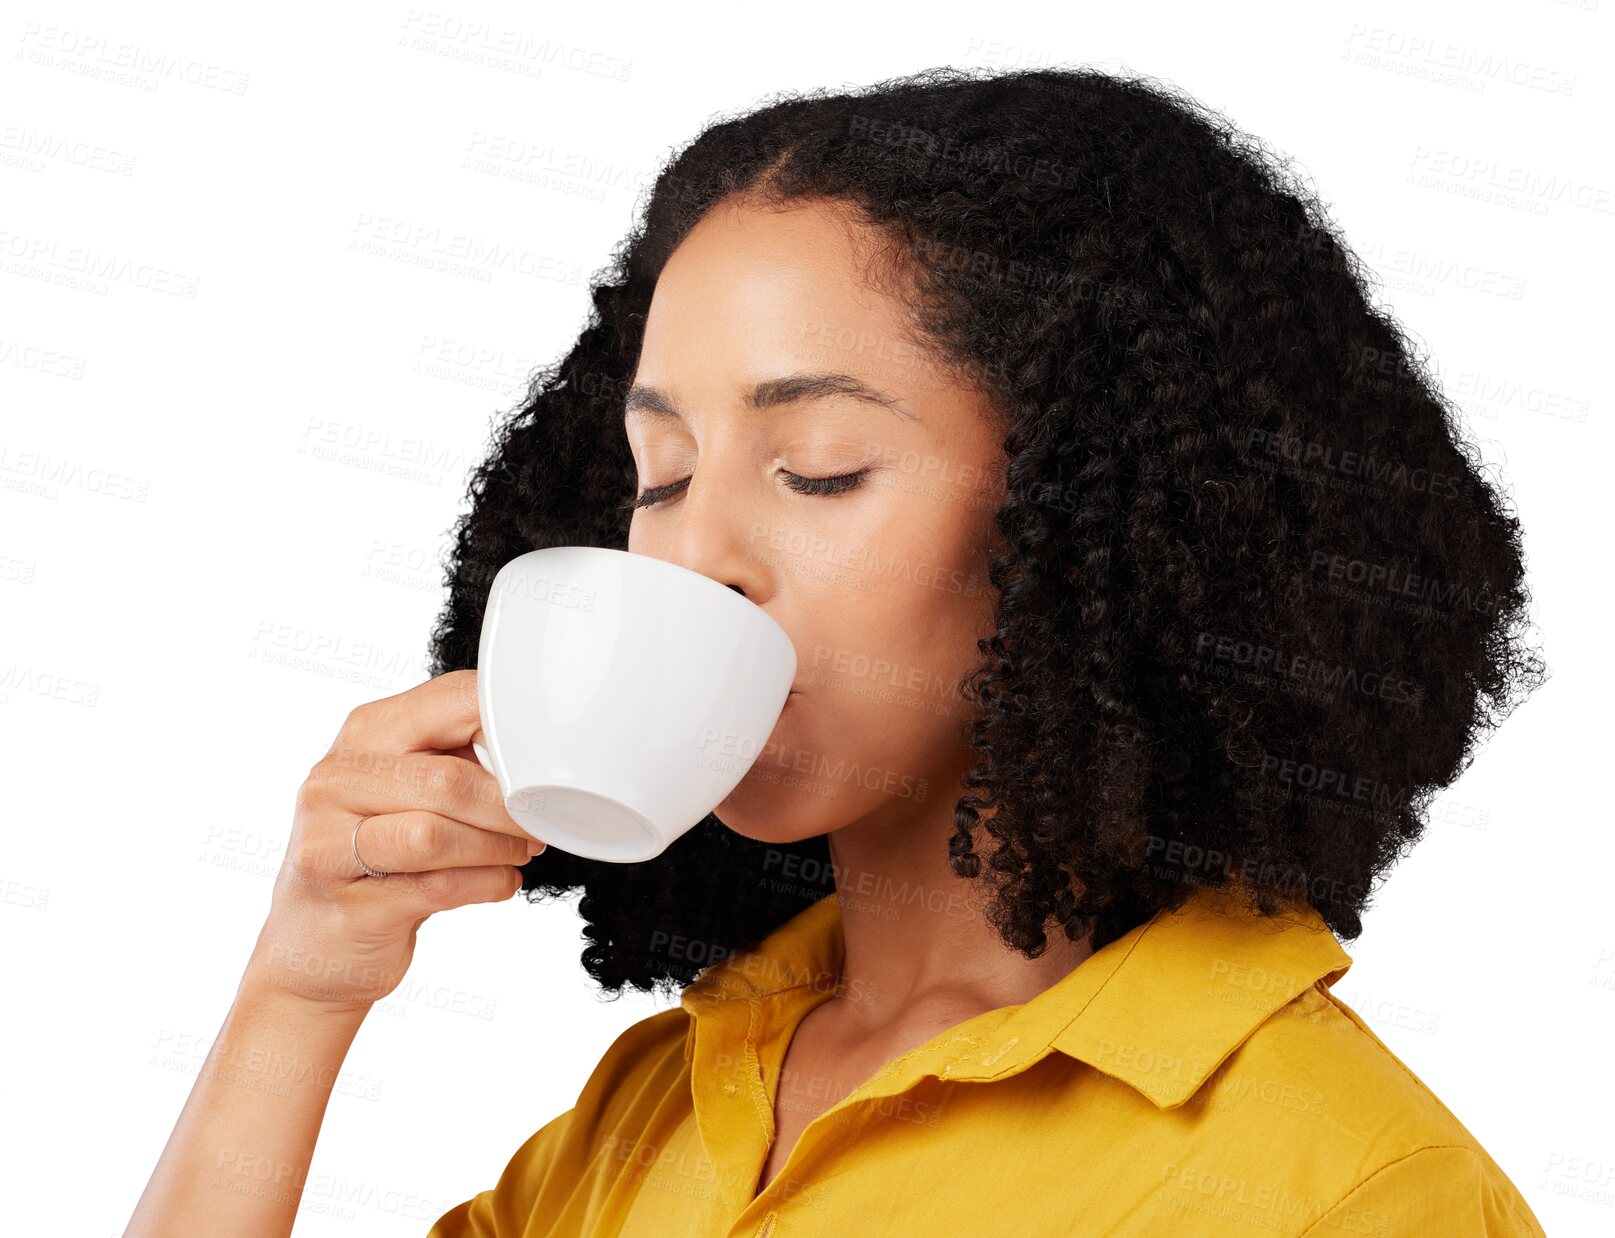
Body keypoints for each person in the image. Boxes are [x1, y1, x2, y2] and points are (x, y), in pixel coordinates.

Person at [128, 66, 1549, 1237]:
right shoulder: (663, 1109)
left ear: (1098, 513)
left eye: (815, 469)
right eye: (662, 473)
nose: (694, 558)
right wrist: (299, 990)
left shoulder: (1346, 1187)